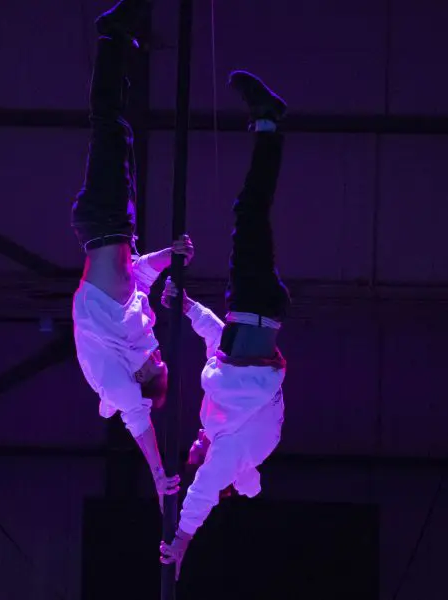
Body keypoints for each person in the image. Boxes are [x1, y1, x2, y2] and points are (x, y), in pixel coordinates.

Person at [158, 69, 291, 578]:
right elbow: (200, 495)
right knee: (248, 212)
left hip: (252, 313)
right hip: (256, 306)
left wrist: (186, 305)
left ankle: (268, 128)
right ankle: (268, 123)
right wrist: (182, 543)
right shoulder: (233, 451)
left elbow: (220, 343)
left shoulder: (229, 423)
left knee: (250, 214)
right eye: (196, 454)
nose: (192, 450)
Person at [71, 0, 188, 511]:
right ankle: (120, 46)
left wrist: (161, 479)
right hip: (120, 227)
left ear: (148, 373)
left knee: (108, 125)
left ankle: (108, 35)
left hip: (102, 223)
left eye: (159, 362)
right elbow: (137, 274)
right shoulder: (131, 334)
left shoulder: (117, 380)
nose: (160, 353)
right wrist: (171, 253)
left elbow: (138, 426)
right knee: (122, 134)